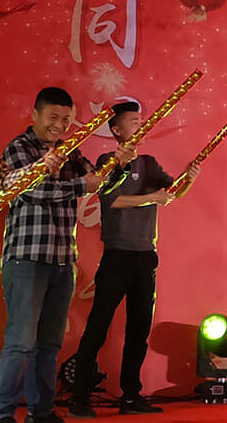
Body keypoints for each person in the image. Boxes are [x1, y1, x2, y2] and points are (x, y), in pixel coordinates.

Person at [0, 88, 134, 423]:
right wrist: (81, 185)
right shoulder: (20, 147)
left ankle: (41, 411)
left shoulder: (71, 151)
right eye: (53, 117)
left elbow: (99, 183)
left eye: (66, 119)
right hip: (26, 259)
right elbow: (32, 190)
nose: (59, 125)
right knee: (21, 341)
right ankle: (2, 413)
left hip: (62, 262)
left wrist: (119, 165)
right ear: (36, 115)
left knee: (49, 344)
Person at [68, 99, 200, 417]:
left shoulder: (150, 163)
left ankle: (131, 396)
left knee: (139, 329)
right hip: (117, 256)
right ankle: (79, 399)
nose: (139, 124)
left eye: (141, 119)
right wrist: (152, 197)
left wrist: (189, 177)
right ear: (116, 130)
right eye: (132, 121)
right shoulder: (107, 161)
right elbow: (112, 200)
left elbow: (172, 193)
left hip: (145, 256)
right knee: (98, 326)